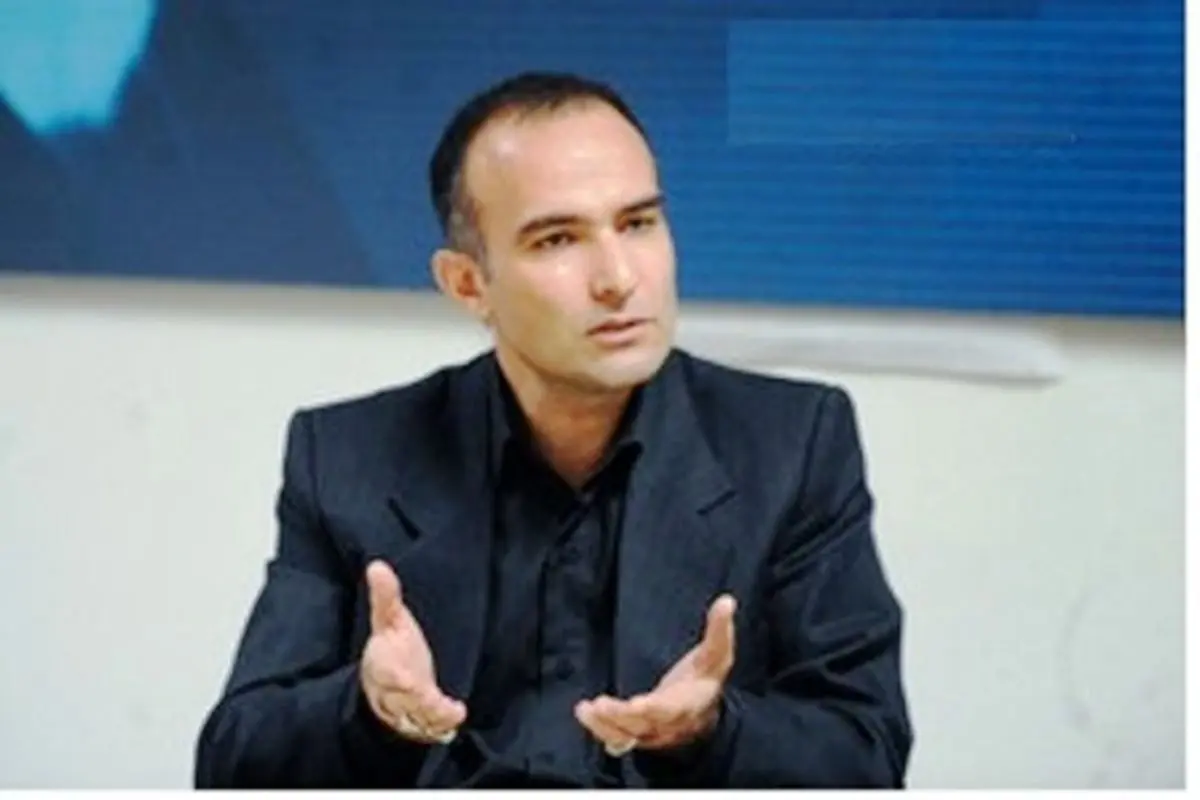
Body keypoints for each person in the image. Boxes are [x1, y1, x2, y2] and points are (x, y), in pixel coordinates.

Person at [193, 70, 913, 789]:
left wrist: (709, 731)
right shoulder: (352, 455)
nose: (618, 278)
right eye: (558, 239)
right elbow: (233, 765)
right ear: (468, 284)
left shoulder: (791, 444)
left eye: (638, 223)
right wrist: (371, 712)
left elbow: (866, 757)